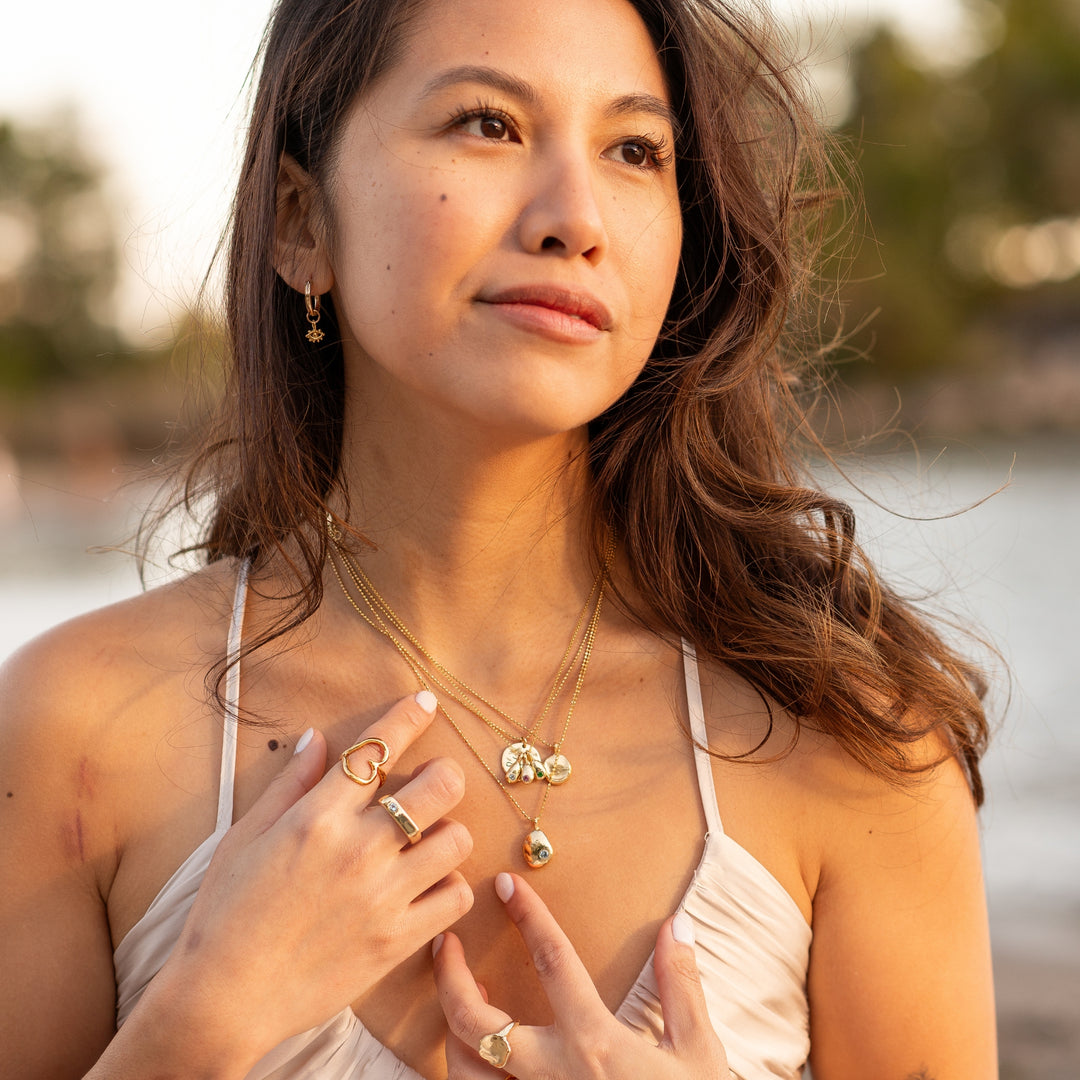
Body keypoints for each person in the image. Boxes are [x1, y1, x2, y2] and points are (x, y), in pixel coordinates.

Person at [0, 0, 997, 1077]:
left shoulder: (851, 743)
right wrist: (200, 1026)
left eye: (633, 149)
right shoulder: (80, 733)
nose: (576, 216)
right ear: (300, 221)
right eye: (488, 124)